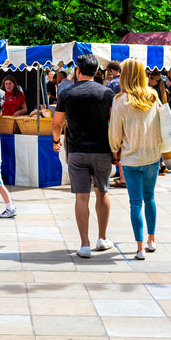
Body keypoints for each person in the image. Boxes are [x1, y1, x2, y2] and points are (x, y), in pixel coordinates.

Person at [52, 52, 114, 258]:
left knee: (81, 196)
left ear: (78, 70)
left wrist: (56, 140)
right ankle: (102, 238)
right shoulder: (107, 93)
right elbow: (114, 123)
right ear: (96, 72)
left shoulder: (66, 94)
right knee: (102, 192)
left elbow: (57, 123)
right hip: (102, 150)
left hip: (77, 150)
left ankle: (85, 244)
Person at [108, 58, 166, 260]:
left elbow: (115, 132)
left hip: (131, 156)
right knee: (149, 197)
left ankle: (140, 247)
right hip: (152, 155)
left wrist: (115, 149)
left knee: (135, 202)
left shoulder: (119, 100)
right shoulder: (152, 95)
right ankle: (152, 238)